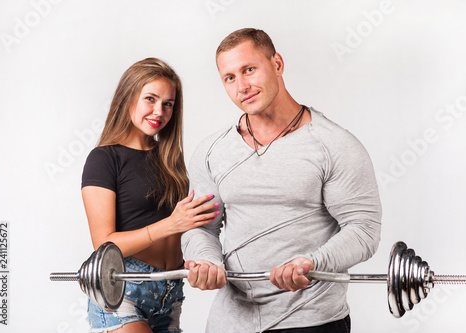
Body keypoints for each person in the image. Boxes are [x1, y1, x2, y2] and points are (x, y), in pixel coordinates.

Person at [181, 28, 382, 332]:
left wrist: (312, 263)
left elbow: (364, 229)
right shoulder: (212, 151)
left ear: (277, 64)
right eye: (230, 77)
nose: (242, 86)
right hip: (230, 323)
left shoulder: (334, 145)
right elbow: (201, 228)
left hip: (311, 320)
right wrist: (206, 261)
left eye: (249, 70)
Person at [81, 57, 219, 333]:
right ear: (128, 98)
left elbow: (189, 226)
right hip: (123, 288)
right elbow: (103, 244)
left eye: (168, 104)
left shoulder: (170, 160)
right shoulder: (104, 158)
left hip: (171, 290)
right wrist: (171, 225)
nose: (159, 111)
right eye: (151, 99)